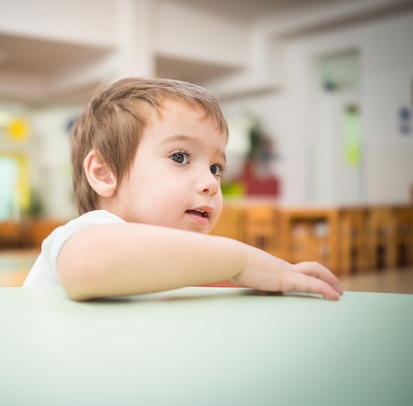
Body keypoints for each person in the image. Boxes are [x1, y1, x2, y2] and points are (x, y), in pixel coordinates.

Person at [23, 77, 343, 301]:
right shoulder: (91, 230)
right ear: (105, 173)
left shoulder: (155, 268)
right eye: (180, 157)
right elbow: (87, 265)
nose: (211, 183)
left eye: (216, 168)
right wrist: (242, 261)